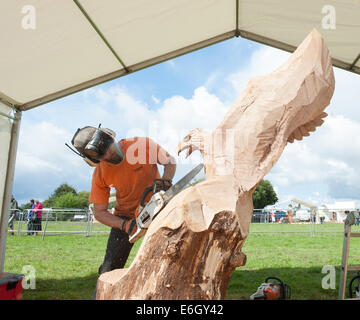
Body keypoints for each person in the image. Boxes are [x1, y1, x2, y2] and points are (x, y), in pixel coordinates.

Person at [68, 126, 176, 297]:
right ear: (94, 159)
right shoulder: (100, 173)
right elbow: (100, 212)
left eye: (110, 148)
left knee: (173, 256)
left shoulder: (141, 145)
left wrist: (165, 181)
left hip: (158, 207)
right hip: (125, 215)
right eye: (103, 155)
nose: (110, 155)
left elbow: (170, 161)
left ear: (111, 138)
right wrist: (125, 225)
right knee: (109, 269)